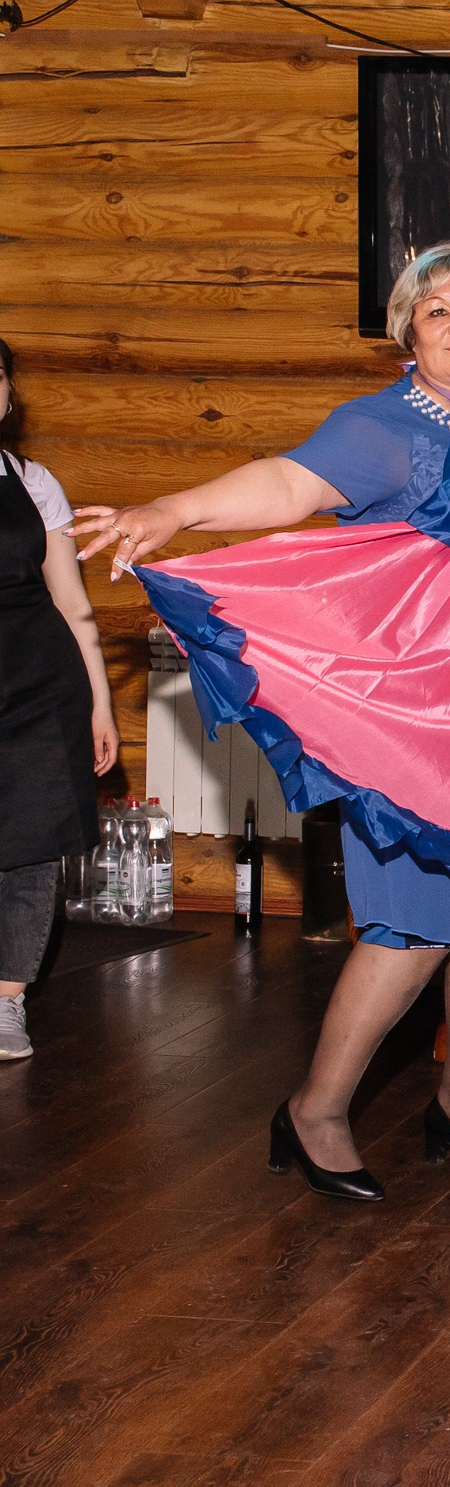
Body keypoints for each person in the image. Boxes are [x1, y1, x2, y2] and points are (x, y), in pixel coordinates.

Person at [75, 242, 450, 1201]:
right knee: (410, 930)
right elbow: (288, 486)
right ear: (409, 329)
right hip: (414, 727)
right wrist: (177, 507)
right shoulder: (382, 427)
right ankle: (315, 1112)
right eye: (436, 308)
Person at [0, 336, 117, 1060]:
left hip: (38, 685)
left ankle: (6, 1004)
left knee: (32, 851)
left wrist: (101, 702)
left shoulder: (33, 481)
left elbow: (72, 605)